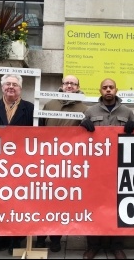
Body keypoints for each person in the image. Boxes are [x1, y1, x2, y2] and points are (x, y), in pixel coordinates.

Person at [80, 78, 134, 260]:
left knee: (118, 207)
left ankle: (117, 246)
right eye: (105, 87)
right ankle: (93, 245)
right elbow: (78, 142)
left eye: (111, 87)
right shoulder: (90, 111)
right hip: (95, 169)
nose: (108, 90)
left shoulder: (127, 112)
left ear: (116, 89)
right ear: (100, 90)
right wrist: (82, 127)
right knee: (93, 207)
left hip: (119, 168)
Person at [0, 74, 34, 255]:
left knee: (19, 202)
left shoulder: (31, 109)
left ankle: (15, 240)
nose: (11, 87)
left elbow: (40, 138)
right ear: (2, 87)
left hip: (23, 165)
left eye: (15, 84)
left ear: (21, 88)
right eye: (8, 84)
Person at [35, 75, 88, 252]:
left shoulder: (84, 108)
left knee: (60, 202)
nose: (69, 86)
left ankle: (56, 237)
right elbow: (40, 130)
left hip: (68, 163)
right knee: (42, 202)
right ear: (61, 86)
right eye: (66, 83)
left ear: (78, 87)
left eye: (73, 84)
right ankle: (40, 237)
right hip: (46, 162)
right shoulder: (50, 104)